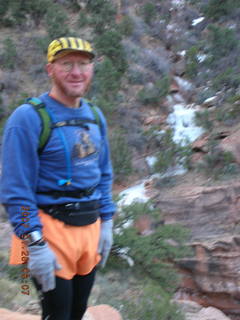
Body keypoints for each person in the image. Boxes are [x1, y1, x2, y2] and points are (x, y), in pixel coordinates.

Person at [0, 36, 116, 320]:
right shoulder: (28, 118)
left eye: (83, 64)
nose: (76, 72)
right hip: (50, 231)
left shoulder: (95, 115)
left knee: (77, 311)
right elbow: (16, 189)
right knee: (57, 314)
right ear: (50, 69)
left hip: (89, 229)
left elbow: (103, 172)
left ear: (91, 70)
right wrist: (35, 245)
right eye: (67, 64)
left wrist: (108, 220)